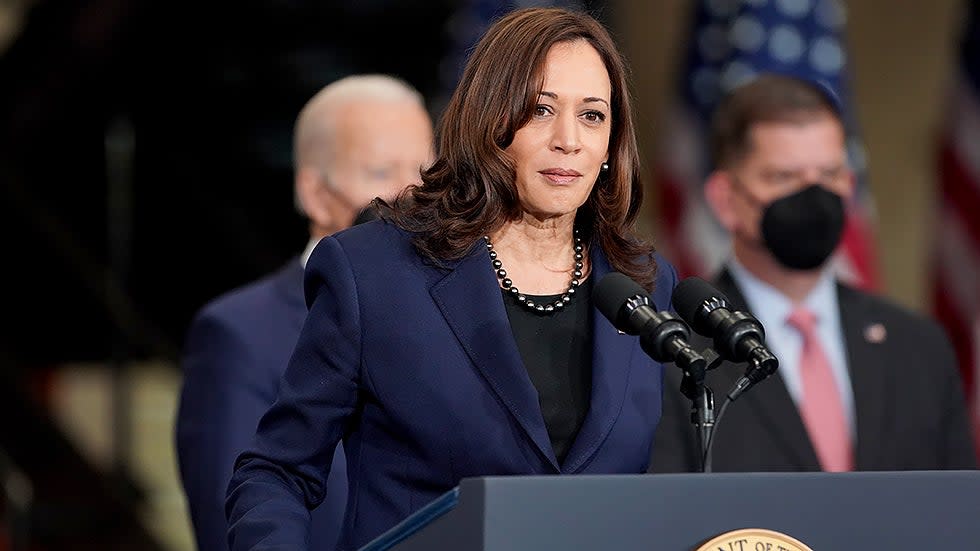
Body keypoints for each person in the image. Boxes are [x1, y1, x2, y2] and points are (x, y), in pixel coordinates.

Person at [225, 7, 679, 550]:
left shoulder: (643, 288)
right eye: (540, 109)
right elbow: (276, 472)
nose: (568, 140)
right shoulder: (376, 274)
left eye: (592, 116)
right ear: (489, 122)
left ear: (612, 144)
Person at [650, 74, 977, 473]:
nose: (813, 196)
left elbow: (958, 512)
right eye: (784, 178)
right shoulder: (673, 354)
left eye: (828, 176)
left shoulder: (919, 346)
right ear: (726, 200)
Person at [175, 75, 435, 551]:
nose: (411, 194)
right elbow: (230, 526)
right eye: (381, 172)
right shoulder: (240, 334)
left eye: (425, 170)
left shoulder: (457, 313)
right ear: (315, 193)